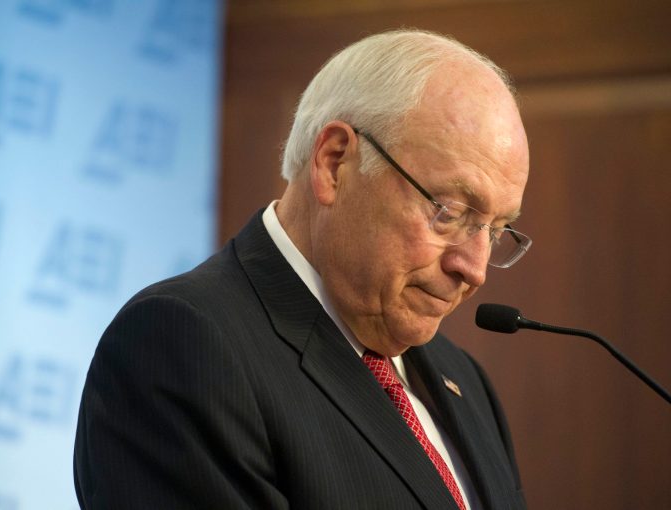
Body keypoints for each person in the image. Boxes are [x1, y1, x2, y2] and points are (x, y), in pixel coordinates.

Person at [74, 29, 531, 509]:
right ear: (334, 163)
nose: (475, 268)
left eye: (497, 229)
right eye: (449, 211)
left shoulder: (463, 380)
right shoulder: (181, 344)